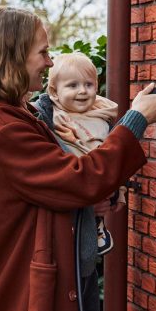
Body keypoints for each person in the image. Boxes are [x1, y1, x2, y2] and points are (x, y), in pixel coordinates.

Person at [0, 7, 156, 311]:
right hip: (22, 279)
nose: (50, 62)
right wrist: (135, 120)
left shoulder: (15, 114)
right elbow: (76, 179)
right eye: (42, 52)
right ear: (12, 58)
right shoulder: (3, 128)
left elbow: (56, 182)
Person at [39, 51, 121, 257]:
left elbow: (114, 155)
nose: (82, 91)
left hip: (98, 185)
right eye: (72, 85)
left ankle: (97, 229)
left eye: (89, 84)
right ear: (54, 91)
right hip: (71, 191)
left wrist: (119, 193)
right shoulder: (51, 117)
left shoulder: (103, 118)